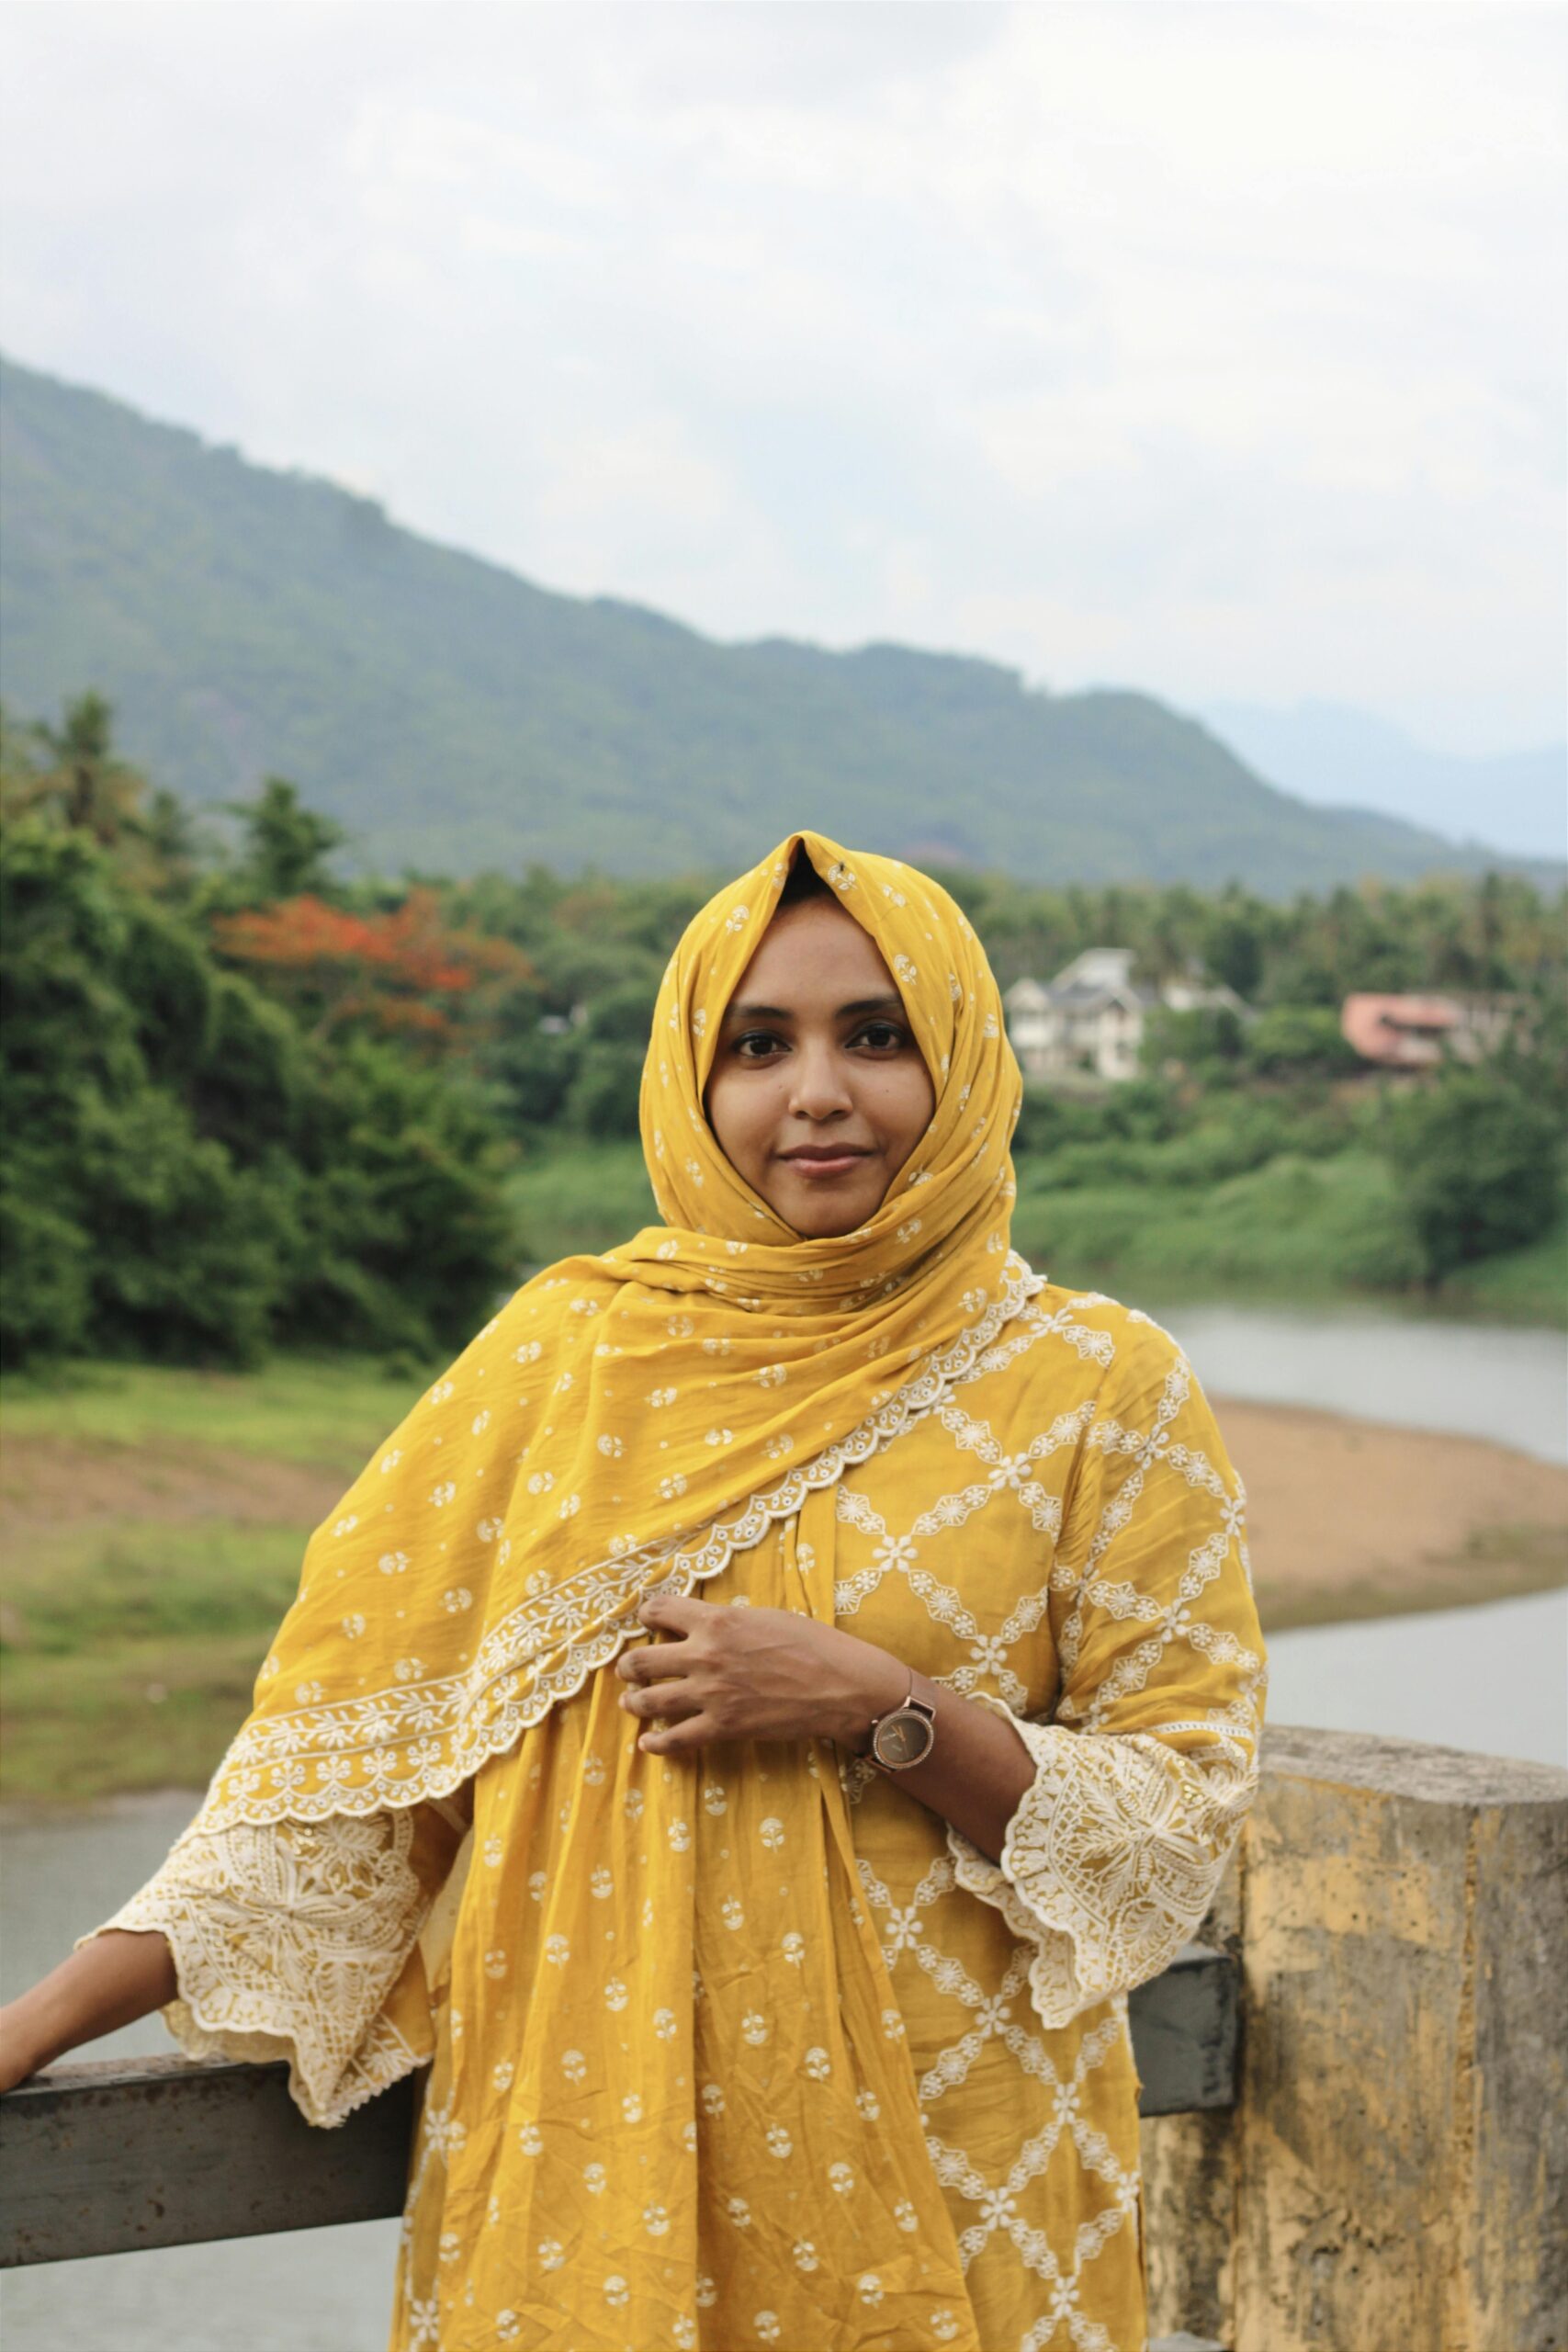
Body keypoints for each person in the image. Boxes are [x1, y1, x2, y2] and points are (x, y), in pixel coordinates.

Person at [0, 830, 1266, 2352]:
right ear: (689, 1078)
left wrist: (883, 1705)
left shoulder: (1096, 1385)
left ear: (963, 1062)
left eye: (876, 1035)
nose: (816, 1091)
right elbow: (332, 1800)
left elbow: (1176, 1814)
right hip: (586, 2173)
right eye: (757, 1044)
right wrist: (29, 2029)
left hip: (967, 2174)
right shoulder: (563, 1366)